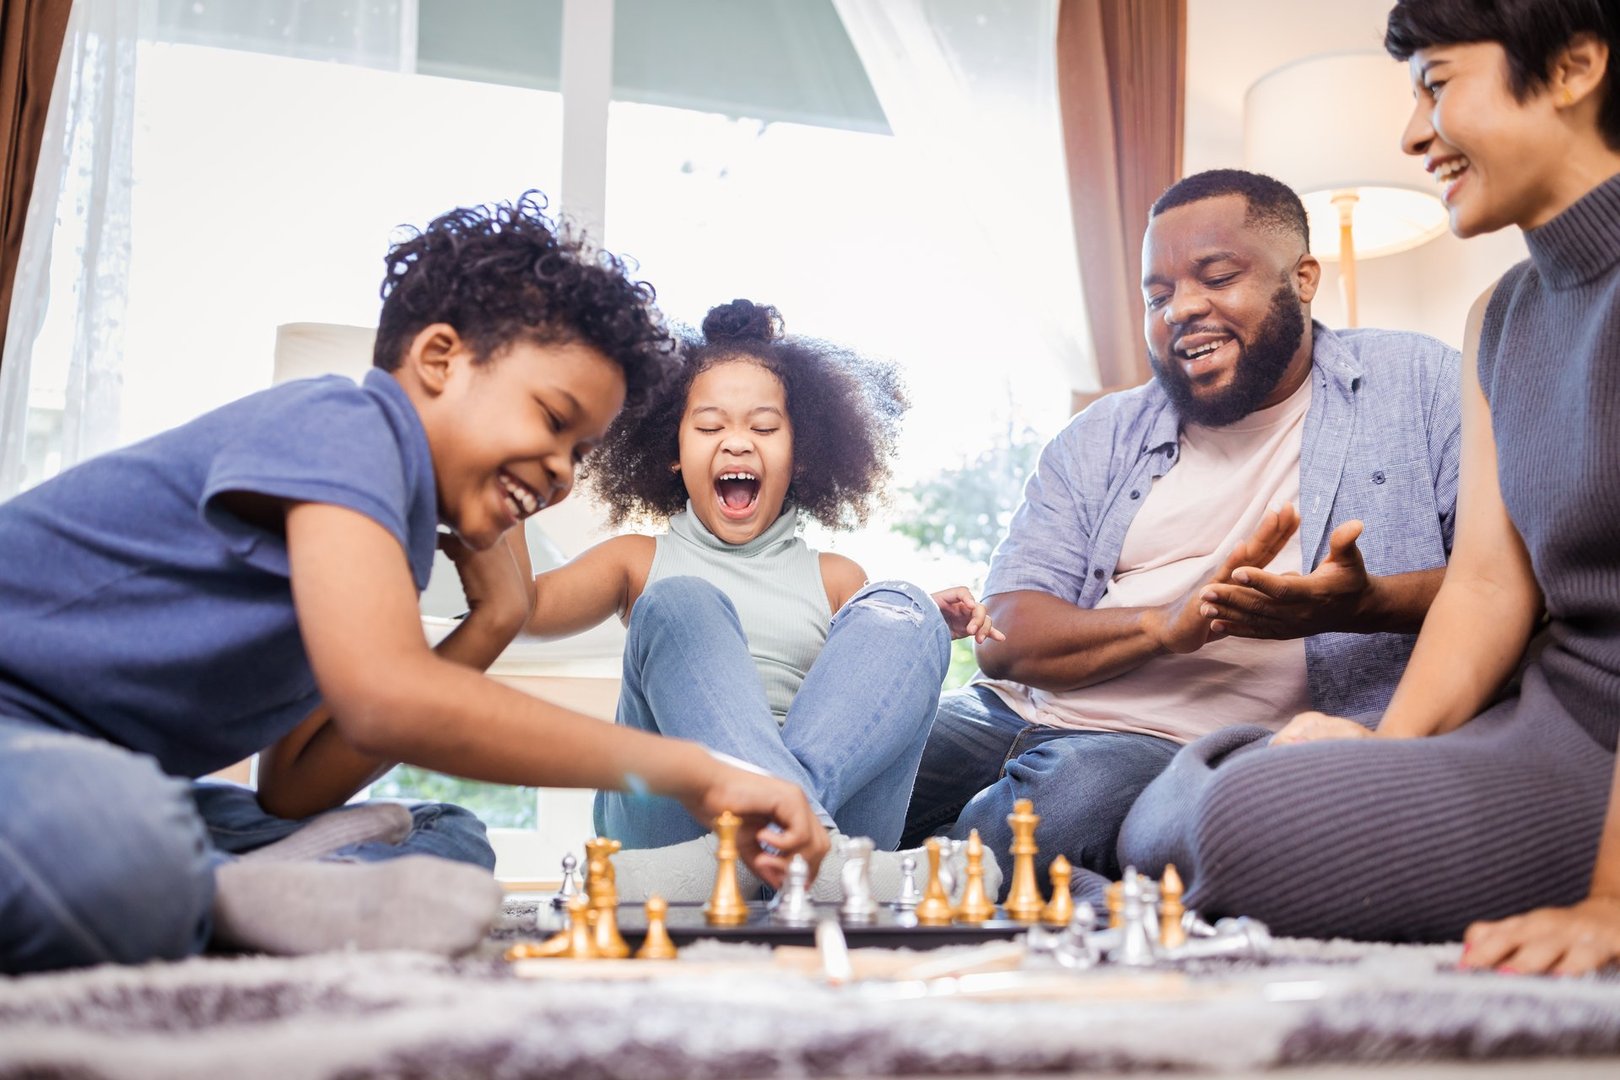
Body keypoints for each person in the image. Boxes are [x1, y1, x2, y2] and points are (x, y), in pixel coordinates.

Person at [0, 195, 829, 975]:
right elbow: (386, 698)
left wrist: (492, 622)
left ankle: (226, 890)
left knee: (444, 834)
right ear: (439, 359)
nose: (563, 476)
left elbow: (292, 788)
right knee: (118, 834)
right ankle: (210, 891)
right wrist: (693, 770)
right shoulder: (341, 427)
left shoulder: (386, 543)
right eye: (552, 420)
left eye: (579, 452)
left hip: (98, 768)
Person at [1118, 0, 1620, 975]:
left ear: (1574, 69)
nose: (1413, 133)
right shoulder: (1501, 315)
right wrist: (1379, 751)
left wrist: (1611, 904)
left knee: (1237, 827)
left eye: (1437, 85)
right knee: (1166, 819)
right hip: (1559, 717)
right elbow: (1486, 588)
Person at [902, 169, 1463, 903]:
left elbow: (1511, 581)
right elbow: (1005, 636)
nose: (1181, 310)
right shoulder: (1102, 433)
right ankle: (866, 875)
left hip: (1165, 749)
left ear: (1301, 279)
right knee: (858, 770)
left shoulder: (1419, 386)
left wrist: (1360, 604)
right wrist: (1164, 627)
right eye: (1157, 295)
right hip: (1004, 712)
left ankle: (890, 883)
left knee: (1064, 806)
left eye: (1217, 276)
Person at [522, 298, 999, 893]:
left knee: (902, 603)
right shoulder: (636, 561)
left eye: (764, 427)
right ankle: (814, 861)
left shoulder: (838, 580)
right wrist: (509, 482)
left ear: (801, 455)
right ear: (672, 451)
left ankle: (762, 860)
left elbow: (863, 697)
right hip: (672, 821)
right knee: (681, 601)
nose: (738, 443)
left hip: (768, 840)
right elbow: (522, 610)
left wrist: (920, 617)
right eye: (710, 426)